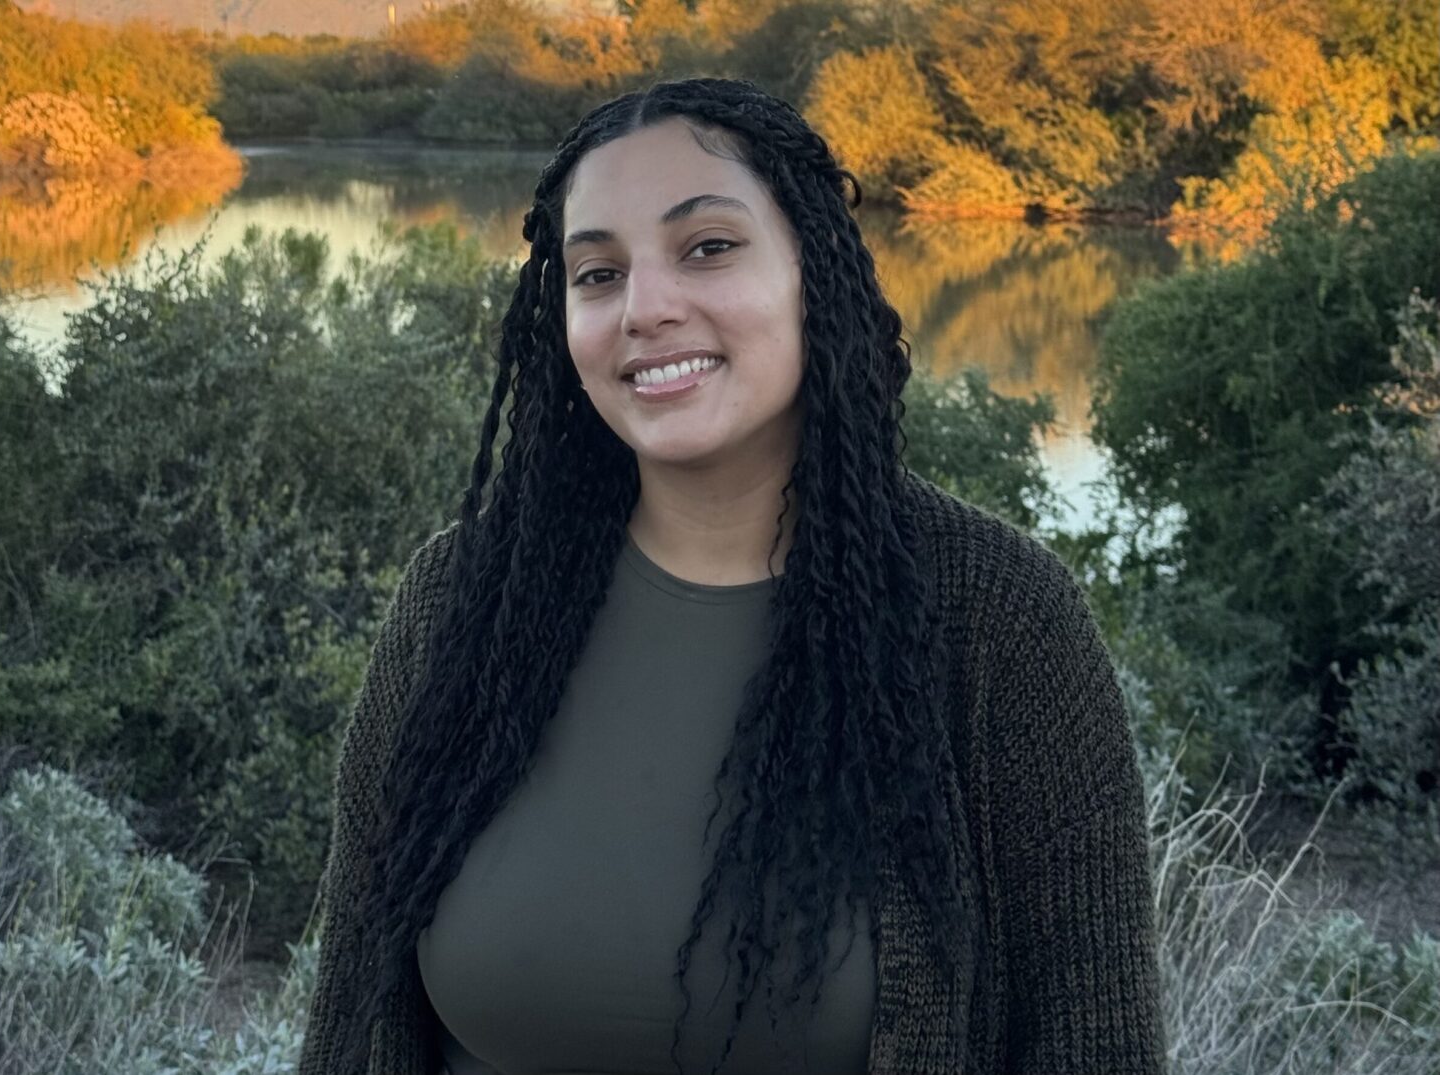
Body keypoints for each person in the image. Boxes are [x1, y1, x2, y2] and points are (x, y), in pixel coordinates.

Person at [297, 78, 1165, 1075]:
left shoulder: (997, 622)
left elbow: (1093, 1048)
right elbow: (348, 1021)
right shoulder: (460, 601)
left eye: (706, 247)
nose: (645, 309)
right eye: (596, 273)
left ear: (813, 266)